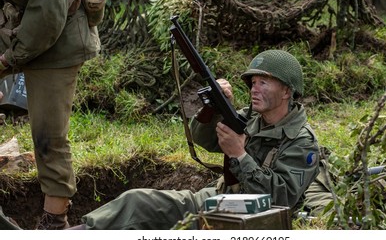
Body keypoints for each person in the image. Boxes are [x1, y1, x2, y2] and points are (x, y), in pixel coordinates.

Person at [70, 49, 320, 230]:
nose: (254, 89)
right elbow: (204, 140)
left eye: (263, 82)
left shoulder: (302, 141)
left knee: (154, 219)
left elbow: (280, 199)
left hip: (256, 220)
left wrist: (240, 155)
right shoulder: (250, 117)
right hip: (220, 198)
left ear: (287, 91)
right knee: (137, 202)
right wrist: (213, 107)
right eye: (253, 82)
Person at [0, 0, 101, 229]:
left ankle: (55, 222)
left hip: (58, 40)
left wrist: (6, 61)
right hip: (15, 28)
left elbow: (47, 20)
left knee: (48, 135)